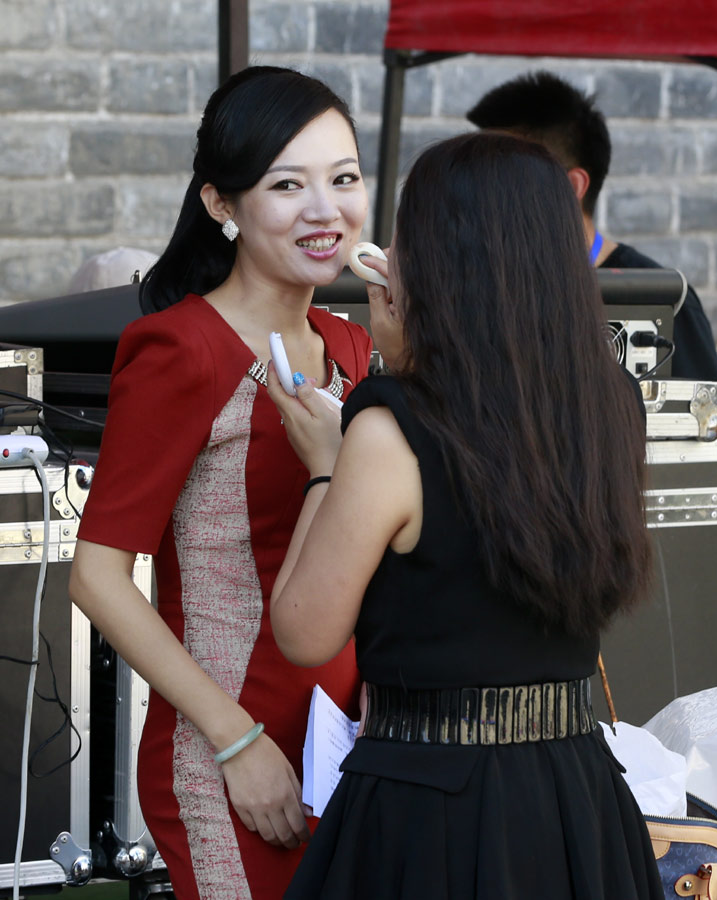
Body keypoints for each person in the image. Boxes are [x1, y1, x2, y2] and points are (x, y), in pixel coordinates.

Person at [267, 132, 664, 899]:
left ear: (442, 263)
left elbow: (304, 631)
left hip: (429, 801)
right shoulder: (613, 402)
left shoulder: (391, 427)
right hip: (575, 792)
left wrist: (325, 464)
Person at [68, 66, 372, 900]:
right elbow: (97, 576)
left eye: (344, 179)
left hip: (345, 744)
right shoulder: (182, 349)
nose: (326, 210)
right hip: (227, 752)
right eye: (288, 185)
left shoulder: (352, 345)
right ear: (221, 203)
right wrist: (236, 743)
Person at [466, 70, 717, 432]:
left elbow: (715, 439)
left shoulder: (664, 302)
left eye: (497, 176)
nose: (476, 193)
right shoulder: (474, 285)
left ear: (570, 186)